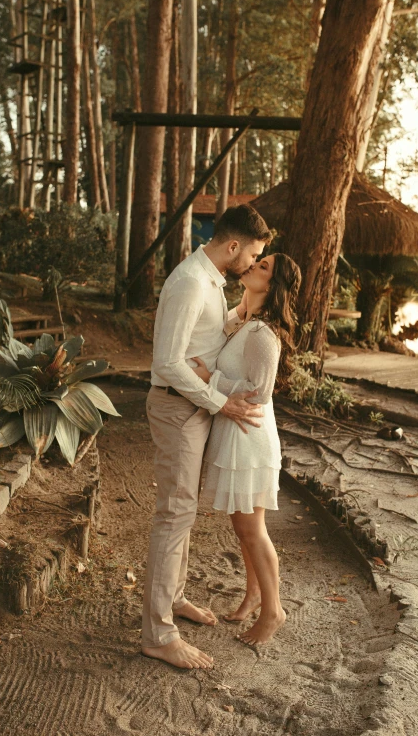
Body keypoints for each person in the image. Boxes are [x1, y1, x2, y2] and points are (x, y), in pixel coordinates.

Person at [141, 204, 272, 670]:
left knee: (184, 512)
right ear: (233, 246)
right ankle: (158, 633)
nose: (253, 262)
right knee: (174, 514)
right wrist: (220, 402)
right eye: (253, 253)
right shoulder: (192, 281)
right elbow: (167, 362)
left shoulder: (213, 279)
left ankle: (173, 599)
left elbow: (202, 347)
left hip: (194, 407)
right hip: (178, 409)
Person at [193, 252, 302, 646]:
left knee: (251, 529)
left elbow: (260, 392)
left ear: (273, 286)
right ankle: (255, 595)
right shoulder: (241, 323)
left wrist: (211, 378)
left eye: (264, 266)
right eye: (258, 261)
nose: (254, 265)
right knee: (244, 529)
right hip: (234, 431)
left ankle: (274, 611)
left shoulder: (263, 335)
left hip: (250, 437)